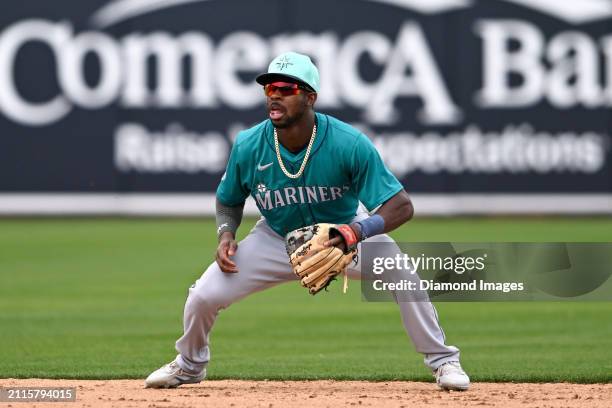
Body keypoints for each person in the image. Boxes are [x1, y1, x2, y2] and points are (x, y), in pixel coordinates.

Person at [145, 51, 470, 391]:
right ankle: (190, 364)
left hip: (343, 231)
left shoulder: (348, 142)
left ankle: (443, 361)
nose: (274, 94)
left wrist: (357, 230)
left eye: (285, 88)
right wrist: (226, 234)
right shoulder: (248, 144)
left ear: (310, 97)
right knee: (203, 296)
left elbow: (400, 206)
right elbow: (228, 198)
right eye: (269, 87)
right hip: (275, 238)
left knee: (404, 276)